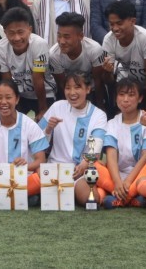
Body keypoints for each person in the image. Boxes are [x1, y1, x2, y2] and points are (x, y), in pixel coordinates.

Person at [38, 71, 108, 206]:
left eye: (77, 87)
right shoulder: (57, 106)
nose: (72, 93)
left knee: (91, 201)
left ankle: (98, 191)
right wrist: (48, 130)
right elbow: (37, 144)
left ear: (88, 89)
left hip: (79, 171)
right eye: (68, 88)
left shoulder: (99, 115)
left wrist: (84, 164)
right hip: (54, 169)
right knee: (36, 196)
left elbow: (97, 148)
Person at [99, 79, 146, 209]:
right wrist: (118, 182)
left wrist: (128, 182)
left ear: (140, 98)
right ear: (116, 98)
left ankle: (121, 197)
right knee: (93, 165)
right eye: (122, 94)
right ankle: (130, 195)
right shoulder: (112, 123)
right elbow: (111, 156)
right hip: (117, 176)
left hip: (141, 174)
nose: (125, 99)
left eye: (131, 95)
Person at [0, 7, 56, 119]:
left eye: (20, 32)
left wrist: (43, 109)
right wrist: (13, 110)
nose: (17, 38)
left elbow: (38, 78)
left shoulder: (39, 44)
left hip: (45, 93)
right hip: (20, 95)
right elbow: (8, 81)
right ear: (5, 33)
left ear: (29, 29)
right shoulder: (0, 48)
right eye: (11, 33)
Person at [102, 0, 146, 116]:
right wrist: (107, 72)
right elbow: (109, 81)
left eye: (119, 23)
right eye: (111, 24)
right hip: (129, 82)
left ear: (133, 21)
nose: (115, 28)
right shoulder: (109, 39)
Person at [49, 13, 106, 108]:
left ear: (80, 36)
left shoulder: (94, 49)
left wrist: (100, 106)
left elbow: (98, 81)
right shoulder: (54, 54)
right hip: (68, 91)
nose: (61, 41)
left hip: (91, 91)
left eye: (67, 37)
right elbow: (62, 85)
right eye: (59, 36)